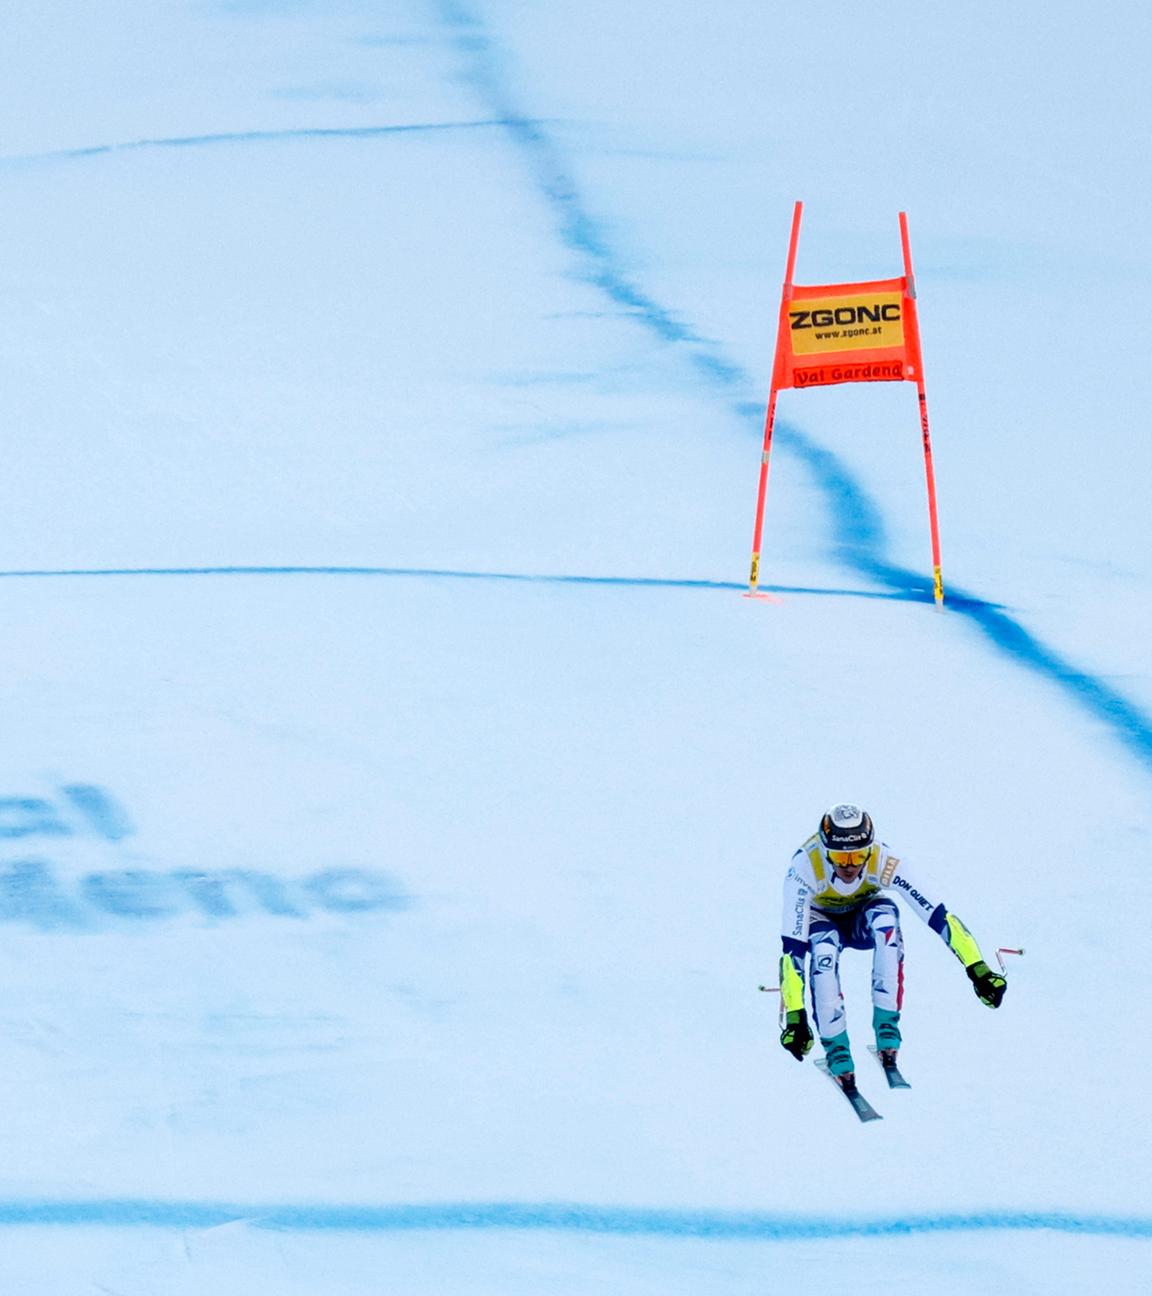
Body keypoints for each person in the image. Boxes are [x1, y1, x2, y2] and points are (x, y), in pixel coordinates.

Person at [778, 803, 1006, 1091]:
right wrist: (795, 1015)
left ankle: (887, 1028)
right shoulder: (803, 867)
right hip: (821, 919)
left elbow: (938, 915)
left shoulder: (885, 861)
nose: (849, 866)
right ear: (825, 852)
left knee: (886, 921)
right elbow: (792, 951)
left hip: (864, 915)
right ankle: (836, 1047)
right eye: (839, 856)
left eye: (859, 855)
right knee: (823, 949)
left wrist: (977, 968)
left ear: (871, 850)